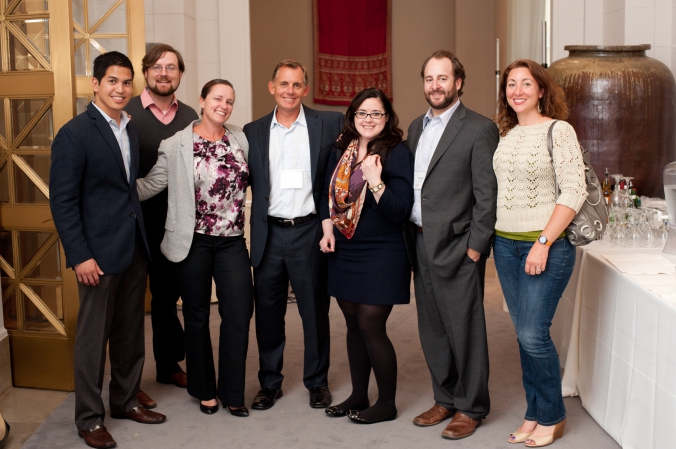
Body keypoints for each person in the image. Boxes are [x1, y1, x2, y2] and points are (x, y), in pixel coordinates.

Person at [50, 51, 166, 449]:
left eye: (126, 82)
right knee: (92, 339)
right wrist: (80, 255)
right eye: (112, 81)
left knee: (131, 332)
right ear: (95, 84)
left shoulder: (129, 128)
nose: (120, 89)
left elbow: (127, 188)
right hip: (96, 254)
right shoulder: (74, 133)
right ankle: (88, 417)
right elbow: (63, 202)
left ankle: (126, 400)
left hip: (133, 246)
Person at [136, 79, 253, 417]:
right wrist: (112, 185)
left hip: (231, 241)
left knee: (239, 313)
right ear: (202, 101)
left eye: (230, 100)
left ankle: (233, 391)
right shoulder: (175, 144)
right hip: (193, 241)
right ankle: (204, 390)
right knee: (197, 315)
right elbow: (153, 183)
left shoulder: (240, 139)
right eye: (218, 98)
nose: (224, 105)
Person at [493, 59, 586, 447]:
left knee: (533, 334)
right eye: (511, 84)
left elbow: (574, 191)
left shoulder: (558, 130)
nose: (517, 90)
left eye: (525, 83)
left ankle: (552, 415)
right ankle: (533, 411)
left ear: (541, 90)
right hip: (504, 244)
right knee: (522, 334)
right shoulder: (505, 134)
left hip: (546, 245)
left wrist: (543, 243)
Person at [406, 50, 498, 440]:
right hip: (419, 242)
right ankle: (445, 397)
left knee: (465, 330)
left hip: (458, 247)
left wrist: (475, 248)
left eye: (443, 78)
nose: (435, 86)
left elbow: (487, 196)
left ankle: (472, 406)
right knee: (433, 329)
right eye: (429, 78)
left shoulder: (479, 128)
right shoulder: (415, 127)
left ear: (458, 82)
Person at [243, 60, 343, 410]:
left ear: (306, 89)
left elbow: (348, 163)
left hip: (309, 231)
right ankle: (270, 383)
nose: (289, 91)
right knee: (268, 313)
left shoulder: (329, 123)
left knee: (315, 311)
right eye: (283, 84)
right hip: (269, 233)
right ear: (272, 87)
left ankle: (317, 382)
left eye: (296, 85)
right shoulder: (252, 130)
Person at [320, 88, 413, 424]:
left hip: (383, 251)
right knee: (352, 324)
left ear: (386, 118)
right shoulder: (340, 149)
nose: (369, 120)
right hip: (345, 248)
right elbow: (326, 194)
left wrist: (376, 181)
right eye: (362, 113)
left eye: (376, 113)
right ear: (353, 116)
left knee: (372, 324)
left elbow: (400, 211)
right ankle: (359, 394)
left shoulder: (396, 152)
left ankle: (386, 404)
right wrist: (327, 228)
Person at [125, 44, 199, 400]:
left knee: (168, 299)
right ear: (146, 72)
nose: (164, 73)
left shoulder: (191, 118)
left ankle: (169, 366)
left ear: (180, 75)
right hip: (133, 226)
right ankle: (129, 382)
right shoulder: (125, 113)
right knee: (130, 305)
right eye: (157, 66)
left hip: (176, 226)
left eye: (171, 67)